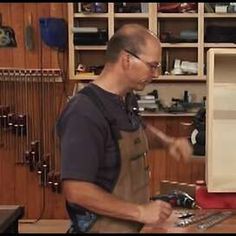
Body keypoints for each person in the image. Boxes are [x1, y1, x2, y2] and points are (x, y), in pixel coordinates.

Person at [56, 24, 193, 233]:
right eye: (152, 66)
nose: (156, 74)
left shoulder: (123, 99)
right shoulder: (84, 112)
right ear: (127, 59)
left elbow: (137, 128)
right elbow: (76, 190)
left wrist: (167, 142)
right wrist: (141, 212)